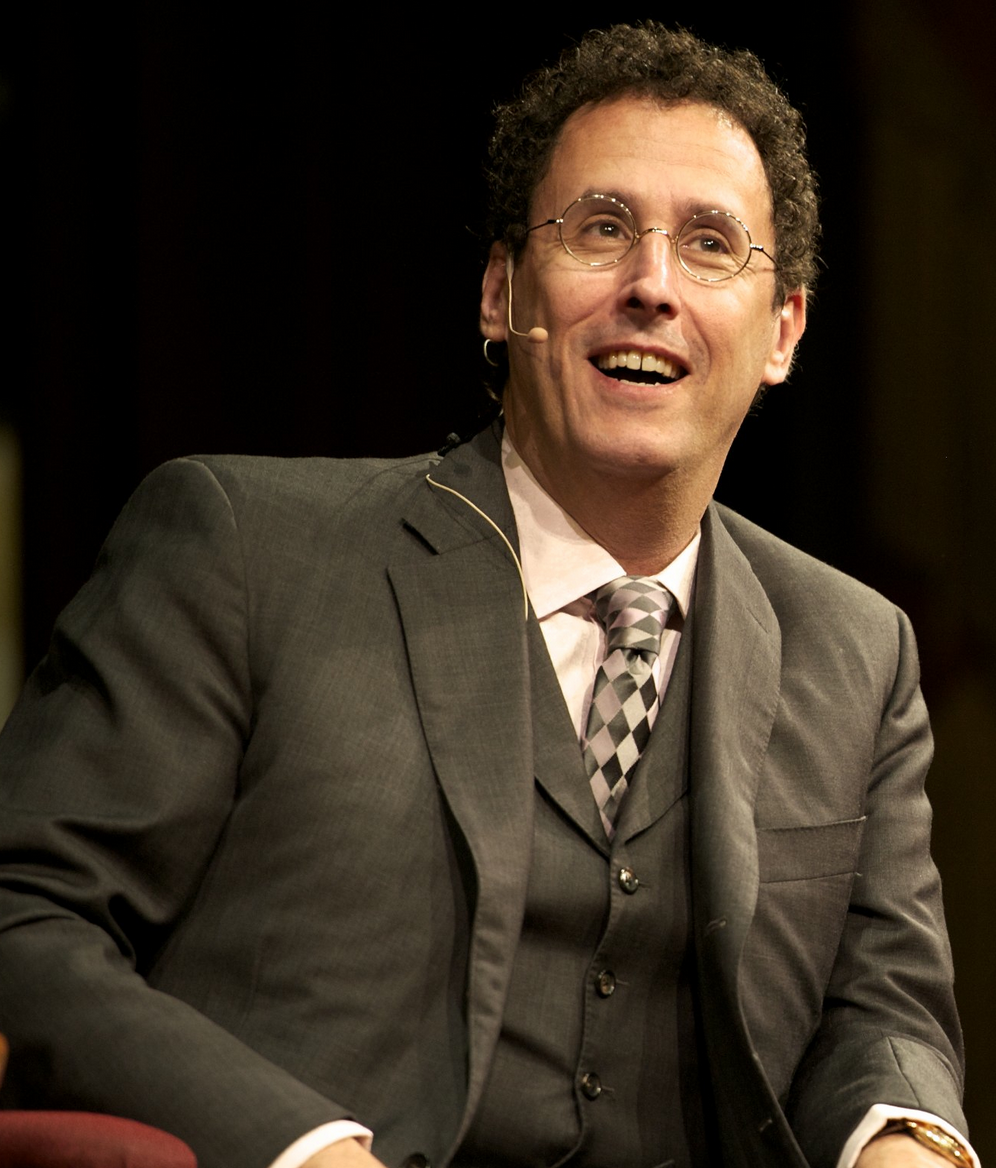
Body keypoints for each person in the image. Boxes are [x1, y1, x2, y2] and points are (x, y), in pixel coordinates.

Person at [0, 21, 974, 1168]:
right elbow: (26, 914)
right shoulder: (245, 548)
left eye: (712, 244)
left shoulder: (855, 648)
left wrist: (904, 1136)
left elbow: (882, 1012)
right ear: (503, 292)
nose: (653, 286)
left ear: (784, 331)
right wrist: (301, 1149)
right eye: (601, 229)